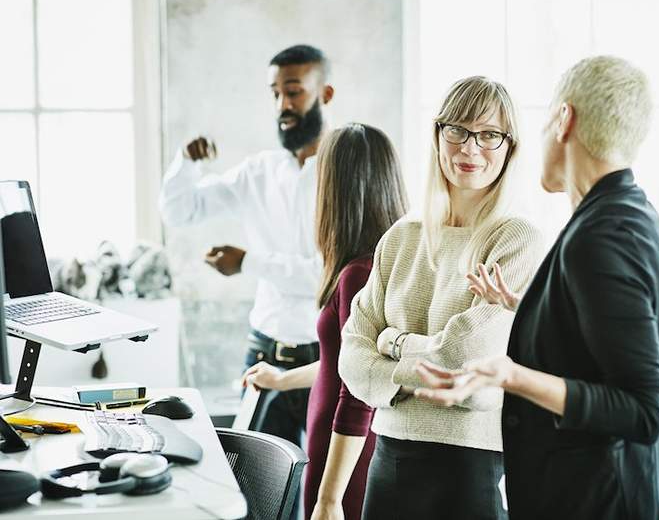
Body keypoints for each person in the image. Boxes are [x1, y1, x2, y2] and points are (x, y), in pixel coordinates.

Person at [415, 56, 659, 519]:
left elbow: (642, 410)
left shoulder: (603, 234)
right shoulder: (626, 210)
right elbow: (602, 338)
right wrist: (534, 308)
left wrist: (509, 374)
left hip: (603, 503)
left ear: (564, 120)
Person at [338, 76, 544, 520]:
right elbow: (351, 360)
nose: (470, 149)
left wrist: (392, 343)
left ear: (510, 148)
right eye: (458, 130)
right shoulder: (400, 239)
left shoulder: (516, 240)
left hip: (468, 465)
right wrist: (426, 352)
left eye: (489, 135)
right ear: (437, 136)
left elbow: (464, 361)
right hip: (388, 458)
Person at [159, 44, 332, 457]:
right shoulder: (259, 172)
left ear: (325, 94)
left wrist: (248, 262)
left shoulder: (344, 173)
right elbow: (181, 210)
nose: (282, 105)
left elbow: (328, 274)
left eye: (294, 92)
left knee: (330, 491)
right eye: (274, 93)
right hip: (263, 352)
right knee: (257, 489)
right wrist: (186, 162)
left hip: (324, 360)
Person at [241, 123, 408, 520]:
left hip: (342, 454)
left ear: (338, 190)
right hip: (338, 443)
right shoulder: (372, 263)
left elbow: (359, 390)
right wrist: (283, 379)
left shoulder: (359, 273)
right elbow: (344, 361)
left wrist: (330, 498)